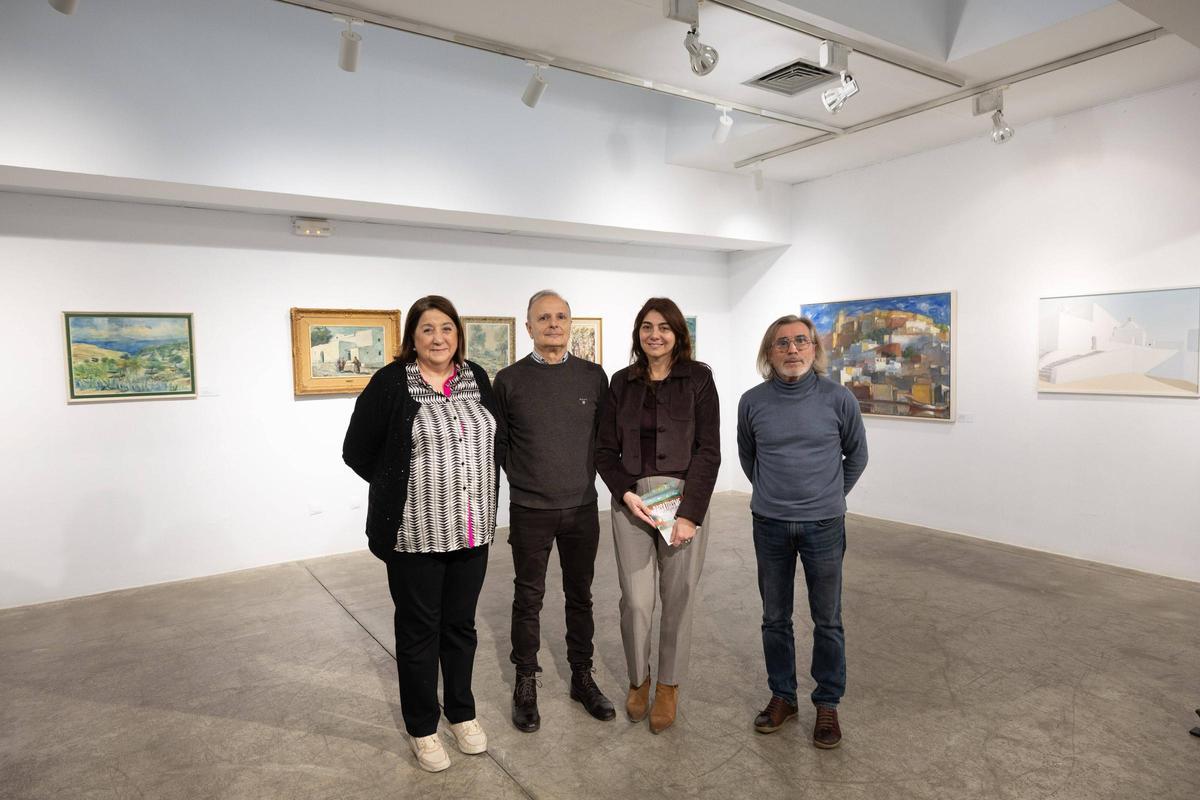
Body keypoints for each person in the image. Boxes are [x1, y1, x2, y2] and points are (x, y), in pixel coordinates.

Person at [342, 295, 499, 773]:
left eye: (447, 328)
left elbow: (495, 441)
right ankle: (422, 727)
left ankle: (462, 714)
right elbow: (357, 450)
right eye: (428, 329)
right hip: (415, 535)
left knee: (461, 627)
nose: (438, 338)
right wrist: (403, 489)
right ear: (412, 336)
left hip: (472, 530)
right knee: (418, 632)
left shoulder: (477, 377)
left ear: (458, 335)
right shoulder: (392, 382)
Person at [736, 314, 868, 749]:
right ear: (769, 352)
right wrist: (773, 494)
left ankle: (827, 702)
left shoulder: (839, 399)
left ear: (814, 348)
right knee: (775, 617)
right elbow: (749, 457)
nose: (792, 350)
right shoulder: (752, 402)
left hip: (824, 525)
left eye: (800, 341)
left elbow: (857, 455)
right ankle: (783, 696)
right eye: (782, 343)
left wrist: (829, 496)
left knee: (827, 619)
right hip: (769, 524)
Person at [595, 297, 720, 734]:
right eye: (647, 327)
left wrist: (690, 514)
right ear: (638, 333)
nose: (655, 334)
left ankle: (668, 684)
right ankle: (639, 678)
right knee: (635, 600)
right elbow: (604, 450)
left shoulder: (698, 379)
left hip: (681, 500)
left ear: (678, 334)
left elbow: (709, 451)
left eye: (664, 327)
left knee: (678, 597)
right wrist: (625, 494)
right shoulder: (621, 382)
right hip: (633, 501)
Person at [494, 290, 614, 733]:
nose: (553, 324)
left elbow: (604, 440)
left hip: (582, 508)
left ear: (570, 324)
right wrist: (525, 481)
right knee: (528, 599)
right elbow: (499, 443)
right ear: (528, 327)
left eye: (561, 316)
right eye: (543, 318)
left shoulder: (593, 377)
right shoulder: (509, 380)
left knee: (580, 596)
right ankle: (526, 681)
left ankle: (582, 677)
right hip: (531, 510)